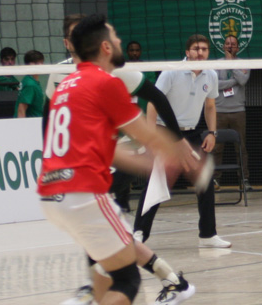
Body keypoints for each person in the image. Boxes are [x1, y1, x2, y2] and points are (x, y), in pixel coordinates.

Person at [38, 16, 197, 305]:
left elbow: (108, 149)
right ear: (105, 47)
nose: (121, 40)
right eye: (115, 36)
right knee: (126, 278)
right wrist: (181, 152)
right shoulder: (105, 82)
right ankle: (171, 283)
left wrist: (150, 164)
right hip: (83, 191)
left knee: (112, 248)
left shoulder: (64, 83)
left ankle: (172, 282)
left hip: (51, 194)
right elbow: (147, 134)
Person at [133, 35, 231, 248]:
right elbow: (152, 104)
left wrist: (212, 133)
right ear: (187, 52)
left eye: (204, 49)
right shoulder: (171, 72)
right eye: (196, 49)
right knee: (156, 181)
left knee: (205, 180)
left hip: (192, 133)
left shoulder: (211, 75)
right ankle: (139, 232)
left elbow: (210, 106)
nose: (200, 52)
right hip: (166, 132)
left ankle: (208, 235)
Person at [213, 35, 249, 189]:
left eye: (233, 44)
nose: (230, 46)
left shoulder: (244, 64)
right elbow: (215, 84)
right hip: (219, 111)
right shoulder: (216, 64)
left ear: (238, 48)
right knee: (216, 147)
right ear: (223, 46)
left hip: (238, 110)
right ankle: (215, 180)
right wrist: (233, 81)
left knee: (241, 147)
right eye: (227, 43)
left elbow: (243, 80)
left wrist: (231, 64)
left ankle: (244, 180)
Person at [15, 50, 46, 117]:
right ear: (28, 65)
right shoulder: (30, 84)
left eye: (41, 62)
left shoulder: (30, 81)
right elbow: (21, 110)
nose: (40, 65)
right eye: (36, 63)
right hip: (31, 122)